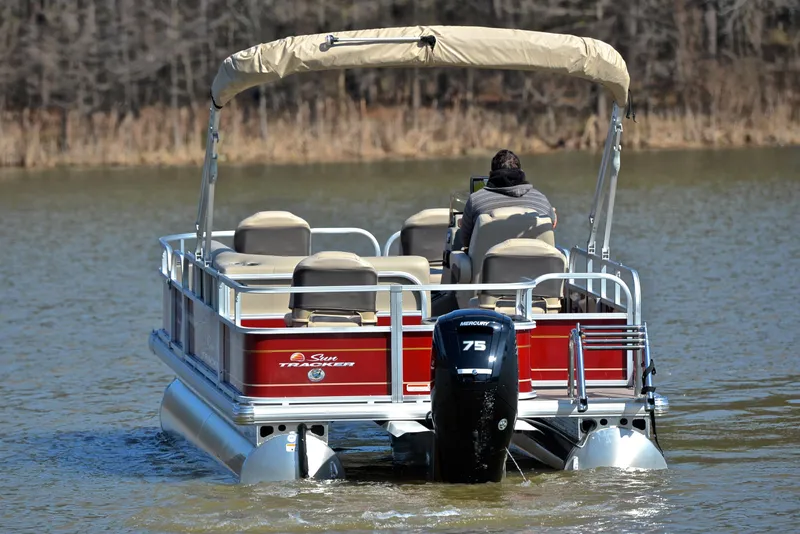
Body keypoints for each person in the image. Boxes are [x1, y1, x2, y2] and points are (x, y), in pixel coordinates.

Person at [459, 149, 556, 249]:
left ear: (491, 174)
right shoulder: (542, 200)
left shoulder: (475, 200)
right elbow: (549, 228)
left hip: (487, 264)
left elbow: (466, 241)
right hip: (536, 264)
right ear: (521, 172)